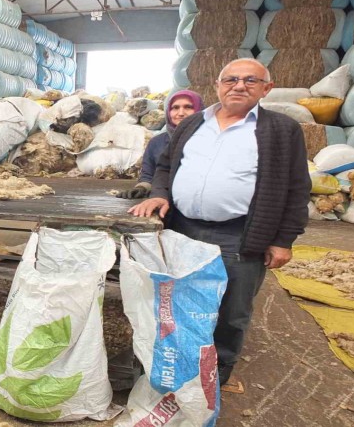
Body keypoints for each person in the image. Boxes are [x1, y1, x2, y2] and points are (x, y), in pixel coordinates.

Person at [128, 58, 310, 391]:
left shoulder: (282, 130)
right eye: (231, 79)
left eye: (250, 81)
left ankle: (218, 373)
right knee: (177, 298)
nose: (239, 86)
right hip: (182, 228)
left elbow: (297, 188)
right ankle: (176, 364)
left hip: (240, 233)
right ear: (218, 85)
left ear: (266, 89)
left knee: (232, 308)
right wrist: (159, 194)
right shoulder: (194, 123)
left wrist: (284, 239)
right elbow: (166, 167)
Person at [117, 90, 204, 199]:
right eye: (175, 108)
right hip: (162, 199)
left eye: (188, 107)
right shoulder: (157, 142)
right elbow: (148, 175)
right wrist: (141, 188)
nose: (181, 113)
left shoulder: (208, 140)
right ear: (168, 112)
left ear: (199, 110)